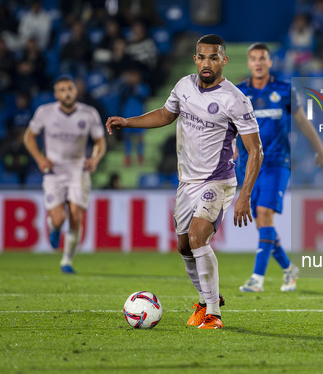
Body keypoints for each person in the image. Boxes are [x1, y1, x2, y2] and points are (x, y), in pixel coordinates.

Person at [106, 34, 263, 330]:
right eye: (202, 57)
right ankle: (206, 300)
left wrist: (245, 195)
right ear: (195, 59)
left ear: (224, 61)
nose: (207, 63)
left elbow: (256, 150)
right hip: (186, 182)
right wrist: (128, 121)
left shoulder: (235, 100)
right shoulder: (183, 86)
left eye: (214, 57)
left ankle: (214, 314)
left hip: (217, 181)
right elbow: (166, 115)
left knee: (197, 236)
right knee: (183, 246)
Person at [236, 43, 323, 293]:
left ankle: (257, 278)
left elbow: (302, 121)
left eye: (262, 58)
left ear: (270, 62)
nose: (258, 62)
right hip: (248, 166)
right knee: (262, 223)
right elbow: (233, 127)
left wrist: (319, 148)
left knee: (264, 215)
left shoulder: (284, 90)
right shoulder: (240, 92)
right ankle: (289, 269)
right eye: (253, 58)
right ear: (248, 63)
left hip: (277, 162)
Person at [24, 76, 106, 273]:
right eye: (62, 90)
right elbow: (29, 136)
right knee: (59, 218)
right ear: (56, 94)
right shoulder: (45, 112)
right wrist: (40, 159)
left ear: (75, 91)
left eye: (69, 88)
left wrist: (94, 159)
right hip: (53, 171)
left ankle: (66, 261)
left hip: (78, 170)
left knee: (76, 215)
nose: (67, 92)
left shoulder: (88, 113)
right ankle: (54, 227)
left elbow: (100, 141)